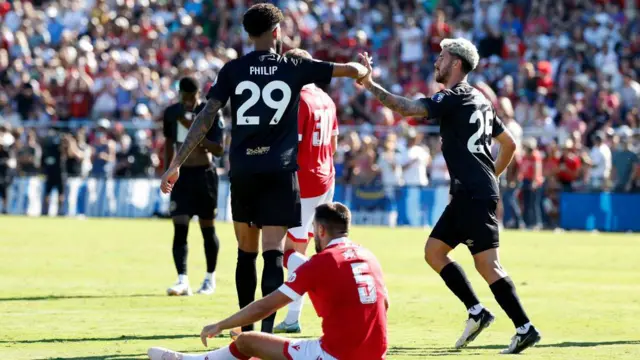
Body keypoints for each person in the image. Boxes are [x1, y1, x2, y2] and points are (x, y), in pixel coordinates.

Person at [159, 3, 369, 333]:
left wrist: (175, 165)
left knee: (246, 253)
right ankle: (267, 334)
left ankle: (245, 331)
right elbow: (350, 70)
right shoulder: (294, 67)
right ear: (277, 32)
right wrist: (362, 69)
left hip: (244, 170)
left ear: (248, 34)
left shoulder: (231, 69)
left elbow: (205, 118)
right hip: (281, 172)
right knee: (274, 252)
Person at [356, 38, 540, 354]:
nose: (436, 62)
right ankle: (477, 311)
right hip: (469, 193)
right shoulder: (480, 99)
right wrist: (490, 177)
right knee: (434, 252)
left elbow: (407, 108)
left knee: (488, 265)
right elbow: (509, 144)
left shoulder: (454, 96)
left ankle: (524, 328)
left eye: (441, 57)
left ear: (456, 63)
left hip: (472, 194)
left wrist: (370, 84)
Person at [148, 202, 388, 360]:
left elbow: (266, 306)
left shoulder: (320, 263)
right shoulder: (371, 256)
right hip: (376, 354)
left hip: (335, 355)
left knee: (247, 341)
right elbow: (383, 305)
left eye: (315, 229)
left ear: (322, 230)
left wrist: (220, 324)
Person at [273, 48, 339, 334]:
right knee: (309, 244)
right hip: (327, 176)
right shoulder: (326, 98)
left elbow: (293, 147)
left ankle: (293, 316)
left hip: (305, 182)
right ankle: (293, 316)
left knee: (290, 251)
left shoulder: (299, 100)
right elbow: (333, 145)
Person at [162, 77, 225, 296]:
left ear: (199, 94)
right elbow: (169, 144)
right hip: (182, 176)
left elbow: (219, 149)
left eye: (192, 97)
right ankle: (182, 279)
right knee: (180, 226)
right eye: (184, 97)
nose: (188, 102)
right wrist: (167, 171)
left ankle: (209, 278)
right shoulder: (171, 113)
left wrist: (196, 132)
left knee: (207, 228)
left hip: (204, 175)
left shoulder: (210, 112)